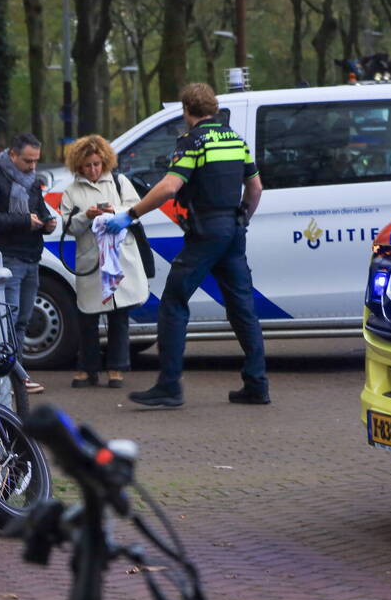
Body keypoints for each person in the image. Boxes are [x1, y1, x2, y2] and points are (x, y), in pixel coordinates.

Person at [104, 83, 269, 408]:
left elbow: (170, 186)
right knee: (243, 309)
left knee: (174, 302)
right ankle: (257, 384)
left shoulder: (193, 140)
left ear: (187, 111)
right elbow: (255, 187)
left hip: (206, 231)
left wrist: (130, 215)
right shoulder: (236, 140)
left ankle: (169, 386)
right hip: (233, 231)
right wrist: (242, 220)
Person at [60, 135, 149, 389]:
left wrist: (115, 213)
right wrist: (86, 217)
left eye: (97, 164)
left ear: (105, 161)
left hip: (119, 257)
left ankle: (116, 368)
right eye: (88, 165)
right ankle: (87, 368)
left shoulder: (120, 183)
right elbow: (69, 227)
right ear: (79, 166)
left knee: (119, 314)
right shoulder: (71, 191)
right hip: (91, 259)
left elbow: (136, 212)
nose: (93, 170)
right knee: (87, 315)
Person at [0, 132, 56, 394]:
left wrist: (48, 223)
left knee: (22, 320)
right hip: (9, 257)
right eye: (28, 161)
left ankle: (17, 374)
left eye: (36, 161)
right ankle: (11, 376)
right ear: (12, 155)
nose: (33, 166)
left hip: (31, 257)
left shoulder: (32, 180)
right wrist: (24, 221)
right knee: (10, 318)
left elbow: (40, 207)